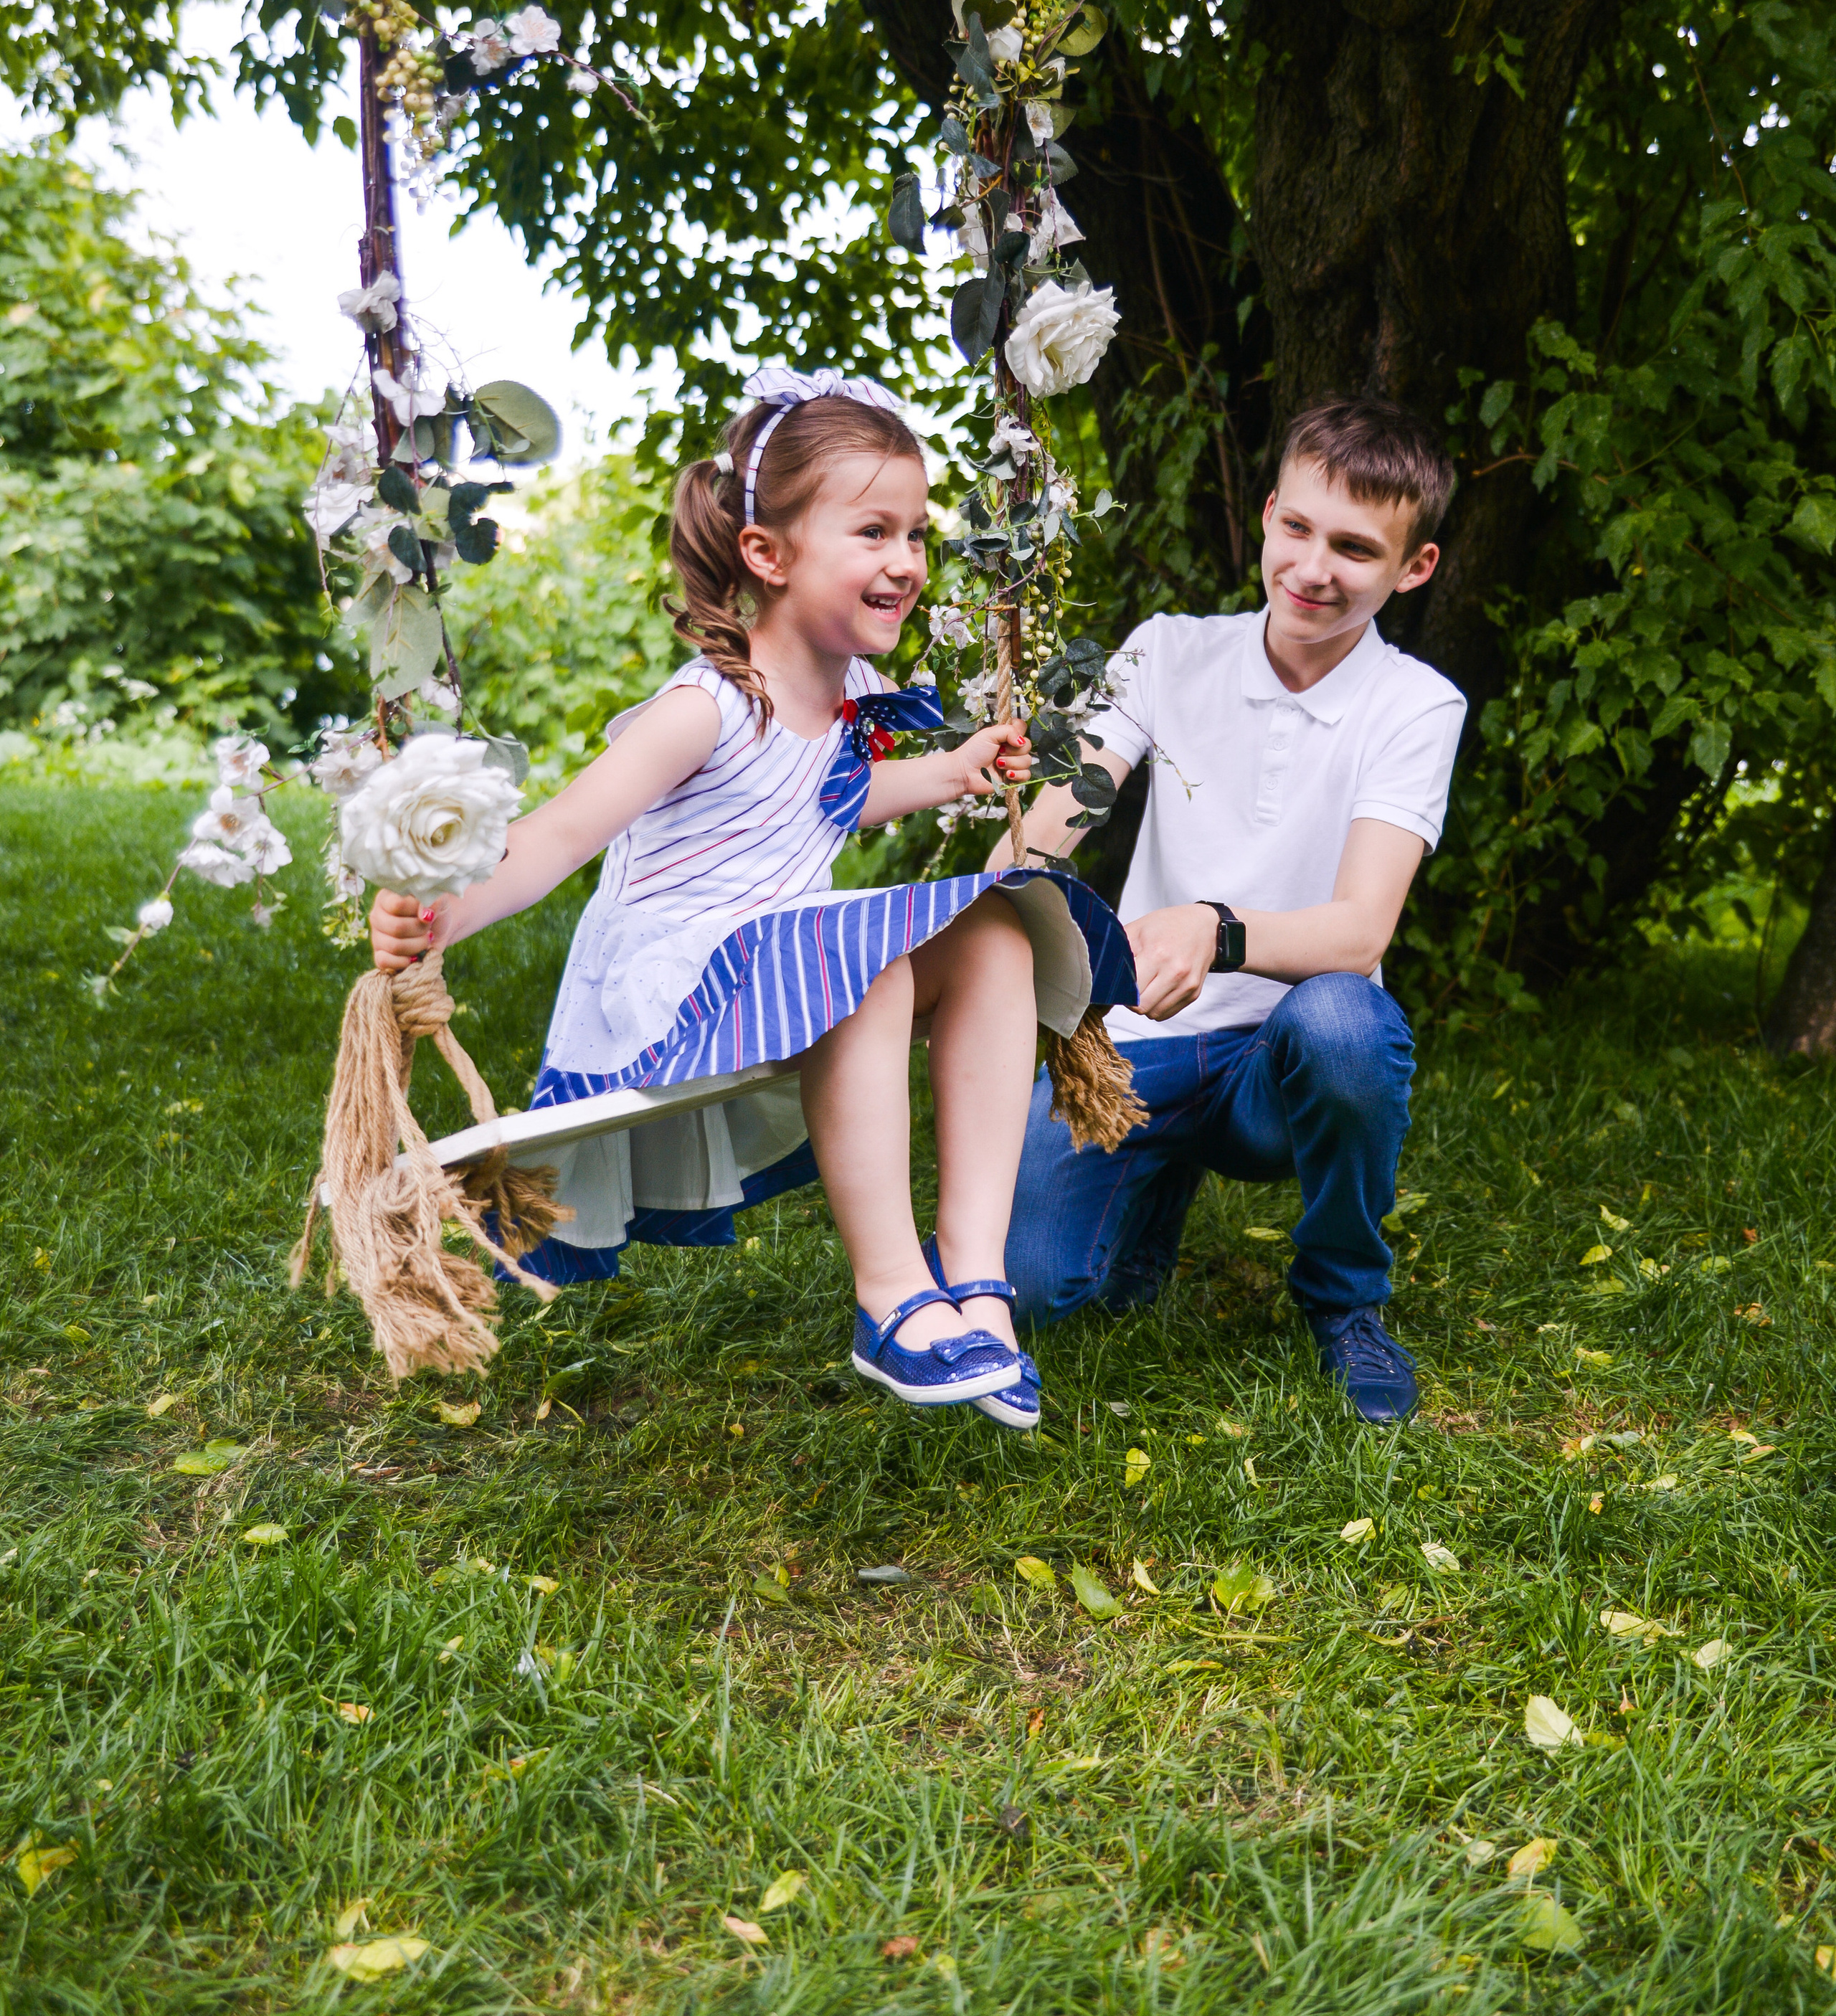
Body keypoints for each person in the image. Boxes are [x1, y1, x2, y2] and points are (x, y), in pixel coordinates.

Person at [369, 365, 1133, 1429]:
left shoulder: (851, 698)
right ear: (768, 555)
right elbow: (560, 835)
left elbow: (825, 800)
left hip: (779, 966)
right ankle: (888, 1294)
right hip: (671, 988)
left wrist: (952, 771)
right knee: (863, 960)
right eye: (873, 532)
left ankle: (974, 1273)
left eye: (916, 534)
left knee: (1000, 933)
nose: (907, 561)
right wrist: (443, 911)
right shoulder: (705, 708)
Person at [991, 397, 1465, 1425]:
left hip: (1280, 1063)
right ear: (1266, 515)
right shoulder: (1167, 651)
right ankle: (1152, 1195)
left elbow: (1361, 930)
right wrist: (1010, 874)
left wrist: (1216, 925)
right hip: (1135, 1044)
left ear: (1412, 567)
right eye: (1296, 528)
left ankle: (1344, 1298)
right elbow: (1059, 819)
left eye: (1354, 548)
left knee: (1348, 1019)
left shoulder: (1417, 704)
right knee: (1030, 1290)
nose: (1312, 568)